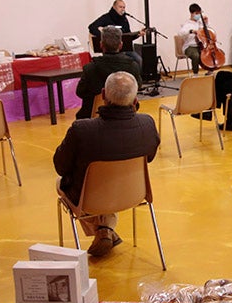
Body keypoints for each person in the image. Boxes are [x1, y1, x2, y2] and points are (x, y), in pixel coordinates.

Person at [54, 72, 160, 257]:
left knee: (63, 183)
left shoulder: (82, 129)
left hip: (92, 200)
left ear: (103, 94)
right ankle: (106, 228)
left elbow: (61, 167)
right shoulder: (147, 124)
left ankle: (103, 228)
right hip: (134, 194)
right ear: (135, 100)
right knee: (108, 180)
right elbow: (149, 158)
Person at [75, 26, 142, 119]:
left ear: (101, 45)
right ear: (121, 45)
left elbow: (80, 92)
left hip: (96, 117)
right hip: (126, 116)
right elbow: (137, 87)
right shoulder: (132, 66)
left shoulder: (90, 68)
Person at [88, 0, 143, 64]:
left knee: (138, 60)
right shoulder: (106, 18)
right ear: (114, 7)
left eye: (124, 7)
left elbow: (127, 36)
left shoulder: (124, 20)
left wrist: (137, 35)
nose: (122, 9)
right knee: (122, 61)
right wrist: (104, 37)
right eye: (120, 7)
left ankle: (134, 74)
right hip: (109, 49)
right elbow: (92, 27)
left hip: (123, 48)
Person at [176, 3, 216, 74]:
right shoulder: (187, 24)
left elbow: (208, 31)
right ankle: (195, 74)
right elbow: (180, 33)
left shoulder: (200, 23)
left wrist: (206, 23)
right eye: (196, 13)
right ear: (191, 13)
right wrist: (191, 31)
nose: (198, 15)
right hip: (189, 47)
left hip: (201, 46)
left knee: (208, 54)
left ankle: (210, 71)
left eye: (199, 13)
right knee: (196, 55)